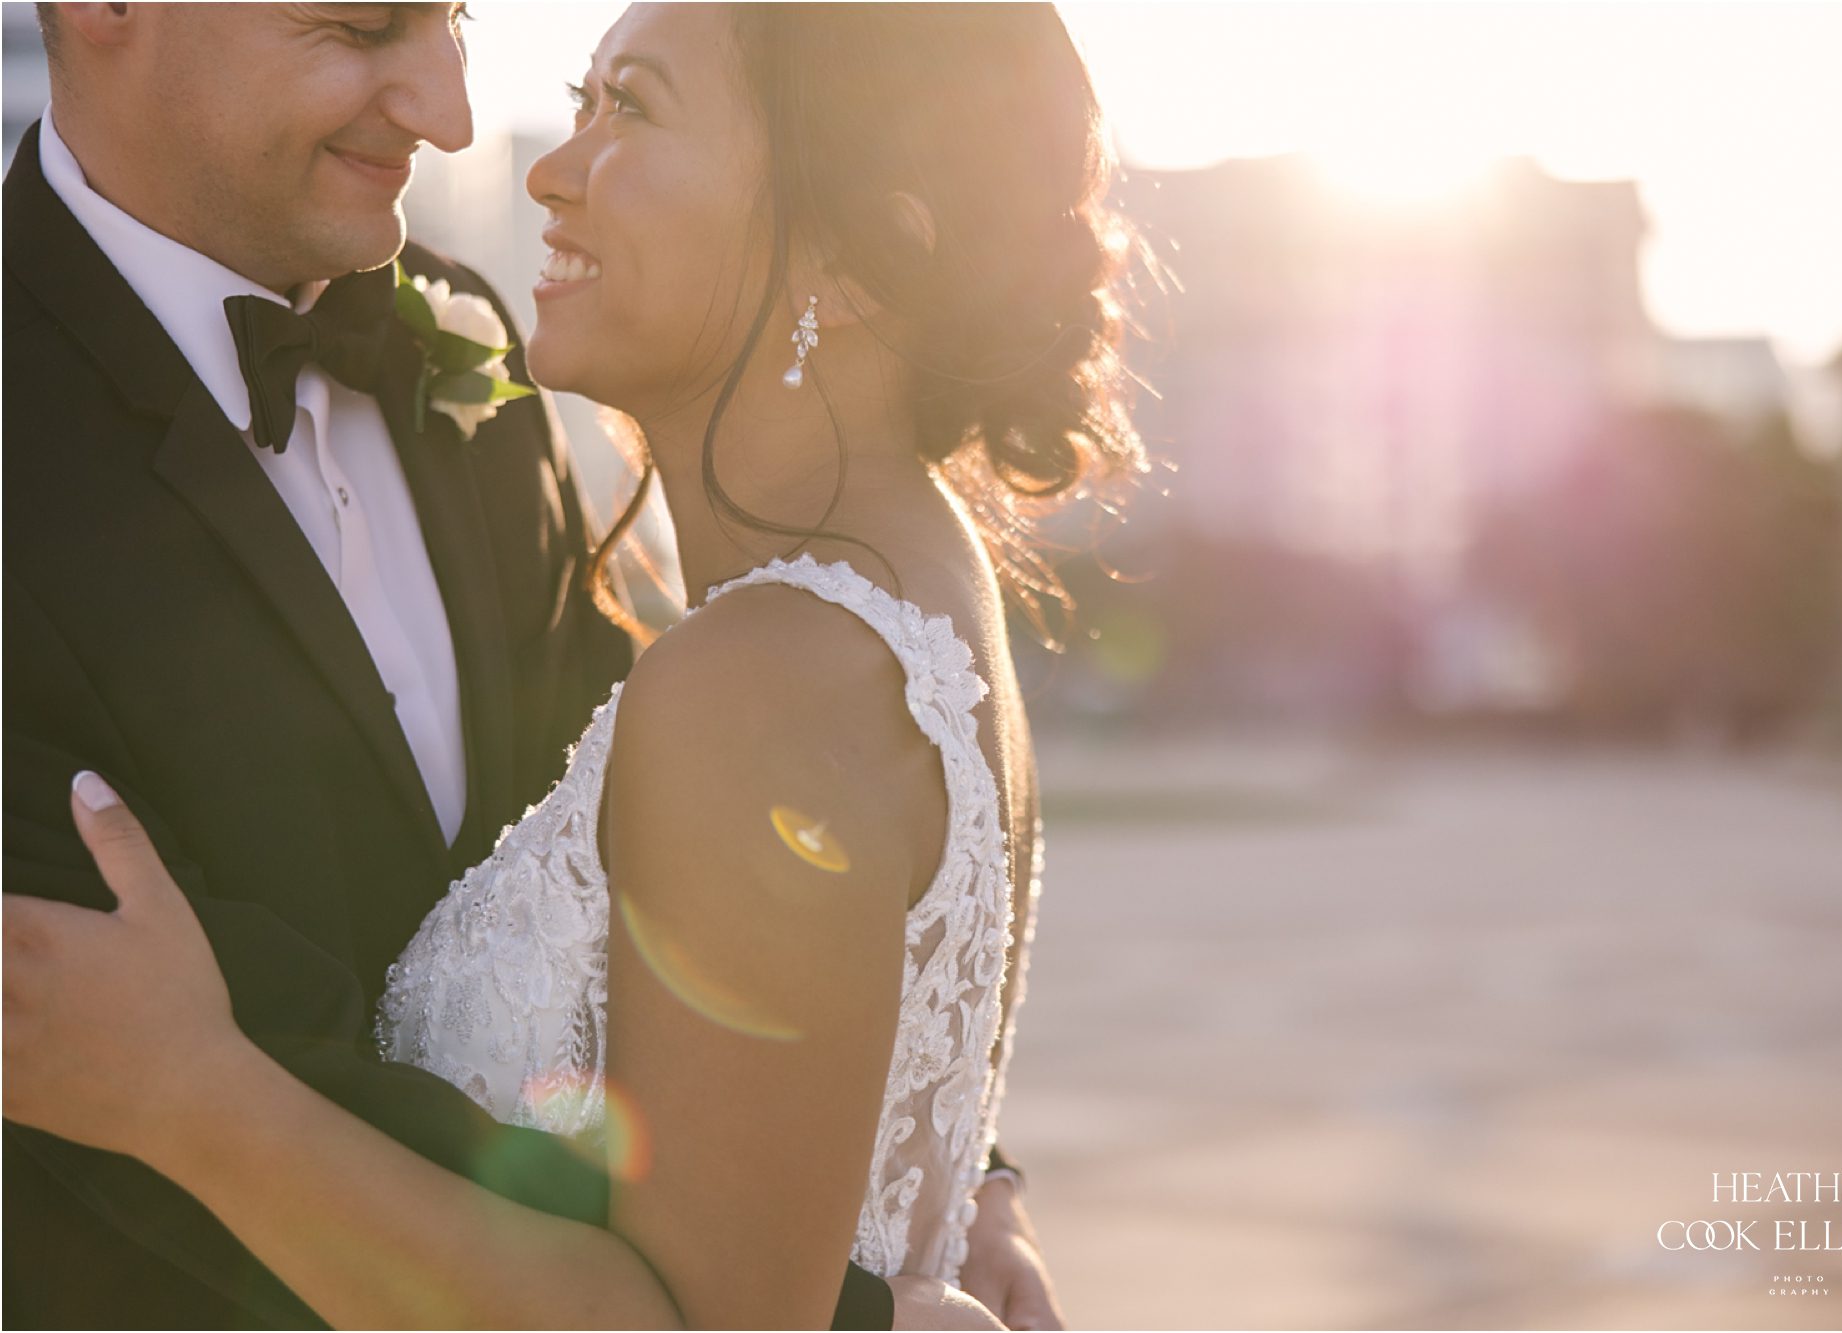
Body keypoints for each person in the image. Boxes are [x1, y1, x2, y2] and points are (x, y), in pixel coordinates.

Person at [0, 2, 1084, 1328]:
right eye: (359, 27)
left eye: (451, 19)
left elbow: (718, 911)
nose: (456, 118)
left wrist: (944, 1161)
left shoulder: (462, 345)